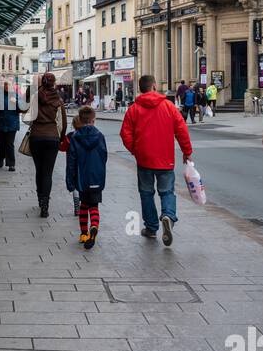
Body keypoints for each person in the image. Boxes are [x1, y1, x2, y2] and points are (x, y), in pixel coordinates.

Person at [120, 74, 192, 246]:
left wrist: (135, 150)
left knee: (146, 193)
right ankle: (168, 216)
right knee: (166, 191)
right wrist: (186, 151)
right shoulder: (168, 106)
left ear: (140, 89)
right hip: (165, 158)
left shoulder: (134, 109)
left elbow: (125, 133)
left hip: (144, 158)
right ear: (153, 86)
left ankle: (151, 227)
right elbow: (181, 130)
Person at [65, 106, 108, 250]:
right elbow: (104, 156)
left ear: (80, 119)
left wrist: (70, 181)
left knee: (84, 205)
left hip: (82, 178)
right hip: (96, 177)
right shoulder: (100, 136)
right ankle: (94, 226)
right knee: (94, 206)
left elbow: (71, 161)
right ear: (93, 120)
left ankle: (84, 234)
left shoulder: (76, 137)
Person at [28, 72, 67, 217]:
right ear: (53, 83)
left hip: (36, 137)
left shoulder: (35, 97)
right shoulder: (58, 99)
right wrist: (61, 138)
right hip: (52, 138)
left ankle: (40, 199)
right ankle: (45, 204)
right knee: (48, 172)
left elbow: (28, 117)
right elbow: (63, 123)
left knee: (39, 170)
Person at [0, 82, 20, 171]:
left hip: (12, 123)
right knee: (1, 143)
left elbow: (22, 109)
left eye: (9, 85)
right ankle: (1, 158)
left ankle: (11, 164)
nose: (7, 86)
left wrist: (16, 103)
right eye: (5, 85)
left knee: (9, 143)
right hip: (0, 123)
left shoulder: (16, 96)